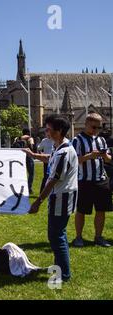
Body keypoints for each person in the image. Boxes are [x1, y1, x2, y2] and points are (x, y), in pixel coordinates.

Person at [24, 115, 78, 282]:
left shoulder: (64, 152)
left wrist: (38, 201)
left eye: (48, 128)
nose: (46, 131)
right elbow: (49, 158)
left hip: (62, 197)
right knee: (56, 234)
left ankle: (64, 274)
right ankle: (60, 267)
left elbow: (53, 179)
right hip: (61, 196)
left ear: (59, 130)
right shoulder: (59, 147)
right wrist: (33, 154)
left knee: (57, 235)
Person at [71, 113, 112, 248]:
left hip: (101, 180)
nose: (96, 130)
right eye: (94, 127)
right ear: (86, 124)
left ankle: (98, 237)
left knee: (101, 210)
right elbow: (74, 160)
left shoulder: (101, 140)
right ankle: (78, 237)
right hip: (84, 181)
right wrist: (90, 156)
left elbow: (108, 160)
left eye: (99, 127)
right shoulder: (77, 140)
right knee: (81, 211)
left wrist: (105, 156)